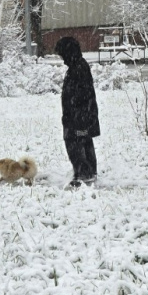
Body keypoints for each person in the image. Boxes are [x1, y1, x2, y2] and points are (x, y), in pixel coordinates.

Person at [54, 36, 100, 187]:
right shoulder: (78, 66)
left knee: (75, 144)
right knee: (84, 142)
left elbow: (79, 96)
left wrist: (73, 116)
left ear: (69, 53)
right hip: (82, 116)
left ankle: (84, 174)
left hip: (79, 118)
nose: (63, 59)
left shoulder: (77, 69)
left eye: (63, 55)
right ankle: (88, 172)